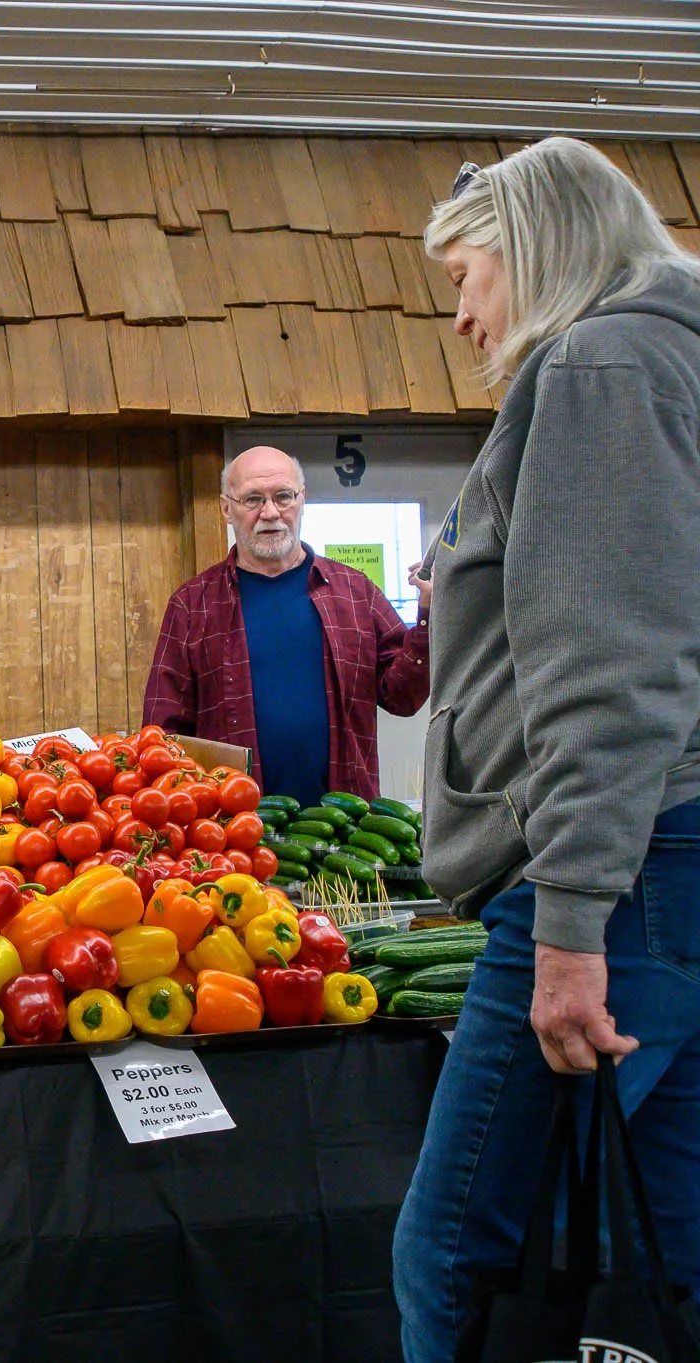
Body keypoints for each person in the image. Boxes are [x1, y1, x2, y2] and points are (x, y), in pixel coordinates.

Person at [392, 137, 700, 1360]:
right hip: (670, 857)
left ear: (538, 251)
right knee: (659, 1239)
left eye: (467, 277)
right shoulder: (669, 359)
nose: (462, 317)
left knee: (456, 1251)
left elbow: (607, 667)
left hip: (608, 878)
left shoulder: (596, 366)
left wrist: (568, 925)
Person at [140, 444, 431, 805]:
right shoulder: (191, 605)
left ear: (302, 499)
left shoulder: (356, 593)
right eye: (253, 500)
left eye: (283, 497)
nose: (270, 512)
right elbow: (162, 736)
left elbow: (403, 698)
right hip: (232, 833)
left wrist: (428, 615)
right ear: (226, 508)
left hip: (347, 832)